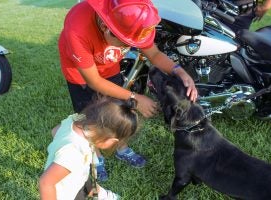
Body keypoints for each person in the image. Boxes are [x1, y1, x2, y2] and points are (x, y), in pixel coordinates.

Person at [58, 0, 198, 181]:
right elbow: (93, 81)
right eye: (124, 42)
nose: (128, 46)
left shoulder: (133, 21)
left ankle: (121, 148)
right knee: (91, 117)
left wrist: (179, 71)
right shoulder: (77, 30)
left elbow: (154, 54)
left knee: (120, 110)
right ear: (104, 25)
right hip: (81, 75)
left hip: (110, 68)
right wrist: (135, 97)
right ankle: (96, 157)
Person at [39, 97, 139, 200]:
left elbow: (55, 131)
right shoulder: (74, 152)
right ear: (111, 140)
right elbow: (46, 183)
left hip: (77, 174)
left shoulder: (75, 120)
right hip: (66, 193)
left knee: (88, 181)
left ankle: (102, 195)